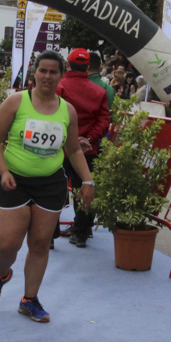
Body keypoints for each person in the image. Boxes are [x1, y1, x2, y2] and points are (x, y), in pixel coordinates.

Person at [0, 51, 94, 323]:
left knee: (41, 242)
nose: (47, 76)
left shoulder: (67, 110)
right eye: (42, 70)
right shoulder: (16, 102)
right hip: (15, 181)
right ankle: (2, 273)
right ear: (34, 73)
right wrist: (4, 171)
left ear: (61, 75)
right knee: (7, 244)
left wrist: (88, 181)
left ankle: (29, 300)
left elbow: (74, 150)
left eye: (53, 71)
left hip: (51, 184)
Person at [54, 49, 109, 249]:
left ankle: (50, 234)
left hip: (60, 148)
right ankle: (80, 234)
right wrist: (88, 138)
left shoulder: (60, 87)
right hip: (88, 149)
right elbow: (104, 121)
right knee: (84, 190)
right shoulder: (100, 91)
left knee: (55, 189)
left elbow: (53, 116)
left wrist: (69, 139)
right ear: (87, 67)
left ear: (67, 65)